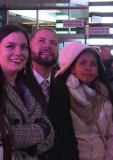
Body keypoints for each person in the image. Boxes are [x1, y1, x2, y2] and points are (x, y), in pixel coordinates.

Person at [55, 42, 113, 160]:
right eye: (83, 63)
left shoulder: (105, 95)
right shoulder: (61, 95)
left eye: (93, 64)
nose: (88, 68)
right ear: (72, 68)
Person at [0, 24, 54, 159]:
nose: (18, 52)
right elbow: (5, 136)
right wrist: (42, 129)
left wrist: (24, 145)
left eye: (23, 47)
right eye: (10, 46)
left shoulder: (29, 88)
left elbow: (51, 135)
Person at [29, 28, 79, 160]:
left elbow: (67, 132)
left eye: (53, 43)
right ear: (29, 47)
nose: (48, 46)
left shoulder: (62, 89)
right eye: (41, 41)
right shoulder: (18, 85)